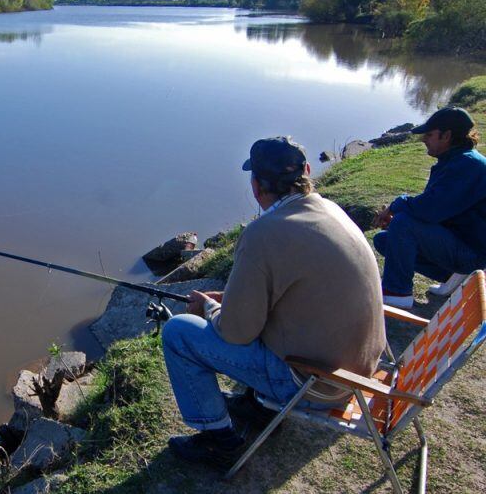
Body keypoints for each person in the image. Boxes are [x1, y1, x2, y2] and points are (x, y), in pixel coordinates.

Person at [162, 136, 386, 467]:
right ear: (307, 170)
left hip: (315, 386)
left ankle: (218, 441)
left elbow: (235, 332)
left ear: (256, 186)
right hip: (360, 370)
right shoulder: (331, 210)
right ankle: (259, 407)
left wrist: (210, 308)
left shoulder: (263, 234)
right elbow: (297, 292)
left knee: (179, 332)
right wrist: (228, 299)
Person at [372, 106, 486, 308]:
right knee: (385, 240)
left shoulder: (467, 165)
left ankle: (397, 293)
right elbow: (438, 211)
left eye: (430, 134)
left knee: (404, 223)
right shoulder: (456, 160)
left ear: (447, 136)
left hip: (475, 255)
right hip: (465, 244)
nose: (424, 139)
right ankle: (454, 277)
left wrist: (397, 205)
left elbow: (428, 210)